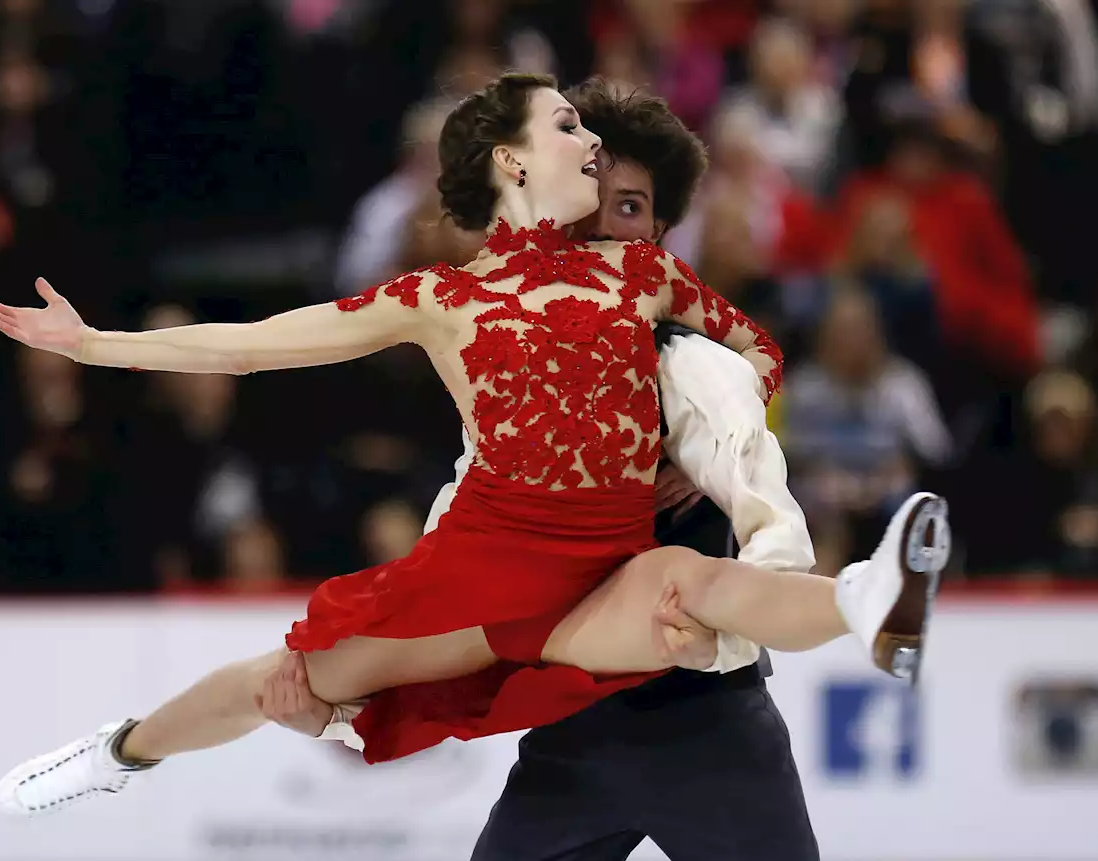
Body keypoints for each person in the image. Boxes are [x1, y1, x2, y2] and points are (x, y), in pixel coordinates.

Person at [0, 73, 948, 818]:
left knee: (690, 580)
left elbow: (753, 355)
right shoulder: (442, 297)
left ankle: (870, 600)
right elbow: (256, 347)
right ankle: (119, 752)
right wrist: (95, 344)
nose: (589, 141)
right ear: (512, 163)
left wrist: (678, 446)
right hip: (486, 572)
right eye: (567, 126)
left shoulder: (639, 270)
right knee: (292, 681)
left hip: (608, 560)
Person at [260, 77, 825, 860]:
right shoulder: (519, 382)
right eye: (591, 203)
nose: (600, 230)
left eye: (628, 211)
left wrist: (707, 472)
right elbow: (450, 597)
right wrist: (337, 710)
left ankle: (871, 598)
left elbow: (764, 463)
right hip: (571, 738)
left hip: (710, 725)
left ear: (660, 232)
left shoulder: (694, 367)